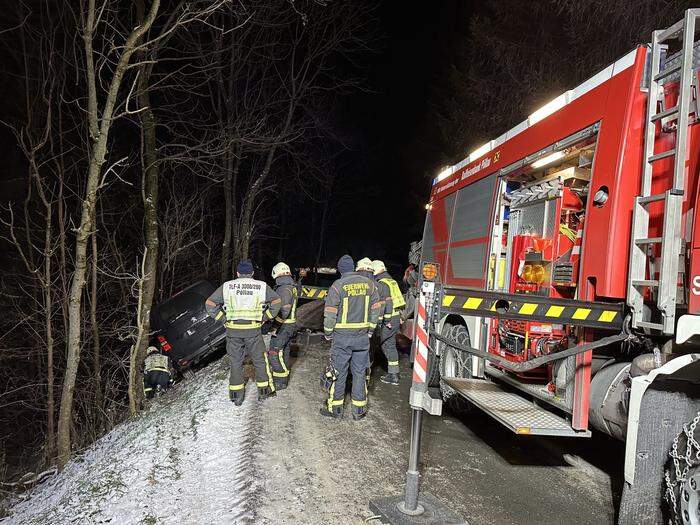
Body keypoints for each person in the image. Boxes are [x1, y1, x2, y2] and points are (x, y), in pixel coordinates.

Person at [206, 259, 281, 405]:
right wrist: (265, 317)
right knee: (259, 361)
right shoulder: (261, 286)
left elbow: (210, 304)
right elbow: (276, 302)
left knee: (236, 362)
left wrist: (223, 319)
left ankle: (236, 396)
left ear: (237, 273)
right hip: (253, 330)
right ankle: (264, 392)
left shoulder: (227, 286)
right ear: (252, 273)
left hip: (233, 331)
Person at [321, 254, 382, 420]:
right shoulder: (370, 285)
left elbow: (330, 314)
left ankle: (335, 409)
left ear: (340, 270)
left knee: (338, 373)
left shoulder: (337, 286)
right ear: (354, 268)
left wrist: (328, 333)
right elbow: (376, 310)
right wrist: (370, 330)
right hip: (362, 337)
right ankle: (358, 411)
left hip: (342, 337)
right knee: (359, 373)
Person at [372, 260, 406, 385]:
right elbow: (399, 301)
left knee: (373, 344)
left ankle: (364, 373)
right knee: (390, 345)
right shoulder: (392, 281)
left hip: (388, 319)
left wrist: (381, 322)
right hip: (395, 317)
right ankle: (394, 374)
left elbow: (384, 305)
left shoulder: (382, 283)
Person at [267, 262, 299, 390]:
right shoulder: (291, 286)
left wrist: (275, 325)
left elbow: (284, 310)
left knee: (273, 352)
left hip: (284, 326)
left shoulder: (284, 288)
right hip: (290, 325)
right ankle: (283, 377)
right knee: (283, 351)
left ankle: (280, 381)